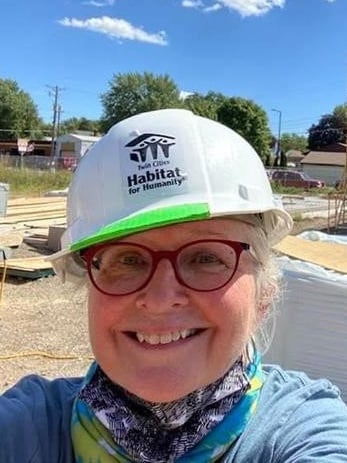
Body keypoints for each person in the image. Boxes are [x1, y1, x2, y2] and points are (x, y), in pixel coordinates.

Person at [1, 109, 347, 463]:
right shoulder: (27, 427)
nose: (161, 299)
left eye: (205, 258)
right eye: (127, 260)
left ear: (264, 295)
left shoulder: (303, 431)